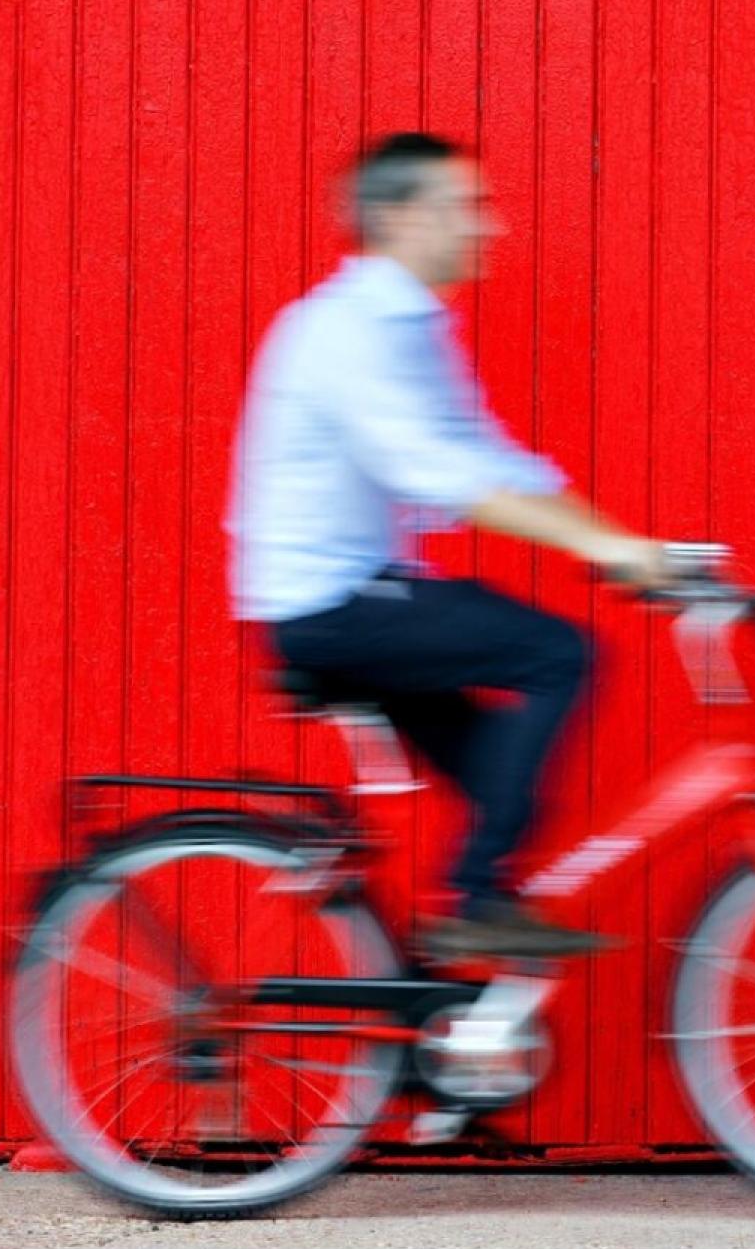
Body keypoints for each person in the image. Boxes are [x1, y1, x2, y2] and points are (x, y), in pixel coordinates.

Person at [227, 132, 667, 959]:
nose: (486, 225)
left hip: (362, 596)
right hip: (331, 607)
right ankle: (473, 904)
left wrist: (624, 543)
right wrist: (606, 549)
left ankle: (464, 987)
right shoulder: (348, 330)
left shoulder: (408, 328)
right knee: (559, 654)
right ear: (398, 218)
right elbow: (435, 472)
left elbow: (490, 457)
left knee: (502, 778)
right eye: (465, 206)